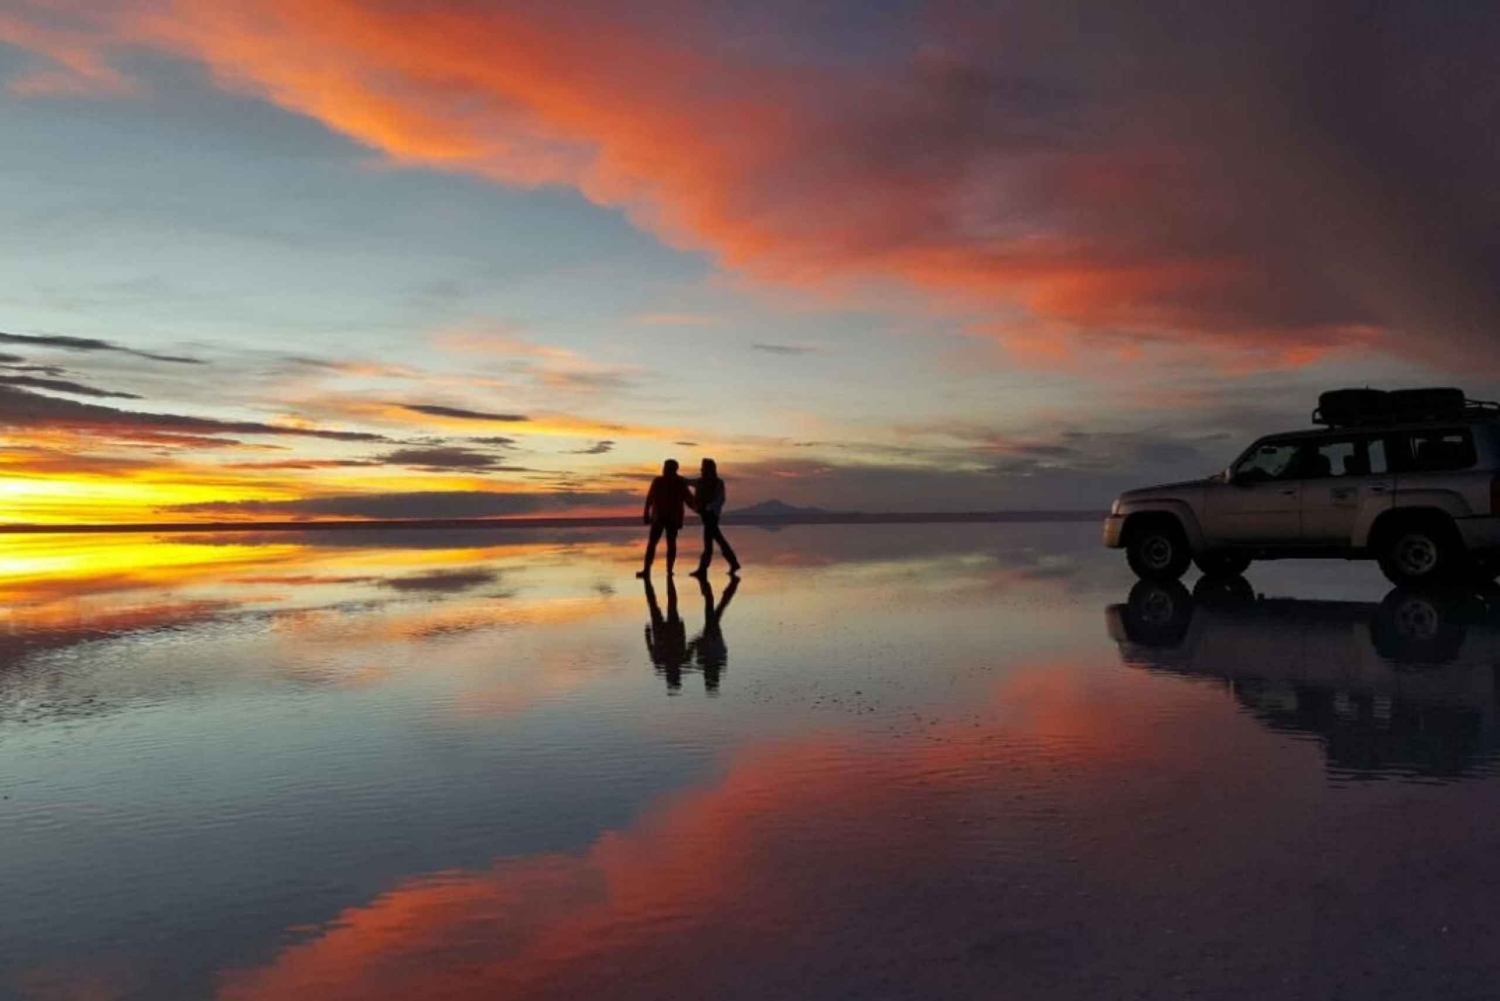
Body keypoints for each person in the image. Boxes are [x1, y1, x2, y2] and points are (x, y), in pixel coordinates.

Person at [638, 458, 695, 577]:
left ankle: (668, 570)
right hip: (659, 517)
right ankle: (647, 570)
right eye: (664, 467)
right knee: (654, 543)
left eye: (666, 468)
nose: (664, 470)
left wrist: (701, 509)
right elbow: (650, 498)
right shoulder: (658, 481)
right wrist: (646, 513)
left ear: (673, 469)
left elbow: (689, 499)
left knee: (670, 543)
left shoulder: (679, 482)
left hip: (672, 518)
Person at [688, 457, 740, 577]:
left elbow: (720, 499)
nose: (702, 471)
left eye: (704, 468)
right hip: (706, 515)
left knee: (710, 542)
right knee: (717, 540)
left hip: (711, 516)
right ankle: (732, 563)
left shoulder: (718, 483)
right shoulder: (700, 482)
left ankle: (703, 569)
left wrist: (708, 508)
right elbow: (687, 482)